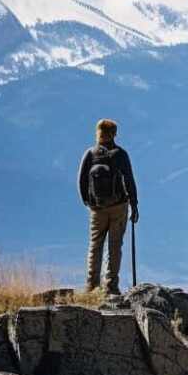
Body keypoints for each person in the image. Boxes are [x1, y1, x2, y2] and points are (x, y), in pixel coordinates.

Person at [78, 118, 139, 294]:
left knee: (95, 245)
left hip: (97, 208)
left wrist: (88, 202)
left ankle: (92, 287)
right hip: (119, 206)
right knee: (115, 246)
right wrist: (134, 204)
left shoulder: (90, 154)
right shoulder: (120, 154)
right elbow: (129, 180)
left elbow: (82, 180)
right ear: (114, 134)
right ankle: (111, 286)